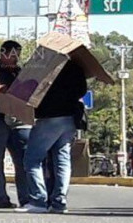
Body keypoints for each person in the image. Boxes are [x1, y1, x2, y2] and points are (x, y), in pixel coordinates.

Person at [17, 60, 88, 214]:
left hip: (49, 117)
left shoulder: (45, 65)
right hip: (69, 118)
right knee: (62, 159)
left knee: (32, 160)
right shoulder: (76, 66)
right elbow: (82, 90)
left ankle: (38, 200)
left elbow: (31, 87)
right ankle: (59, 202)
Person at [0, 41, 31, 208]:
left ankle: (26, 199)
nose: (16, 58)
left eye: (18, 54)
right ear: (3, 53)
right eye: (13, 55)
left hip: (18, 120)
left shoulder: (19, 71)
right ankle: (0, 198)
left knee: (23, 160)